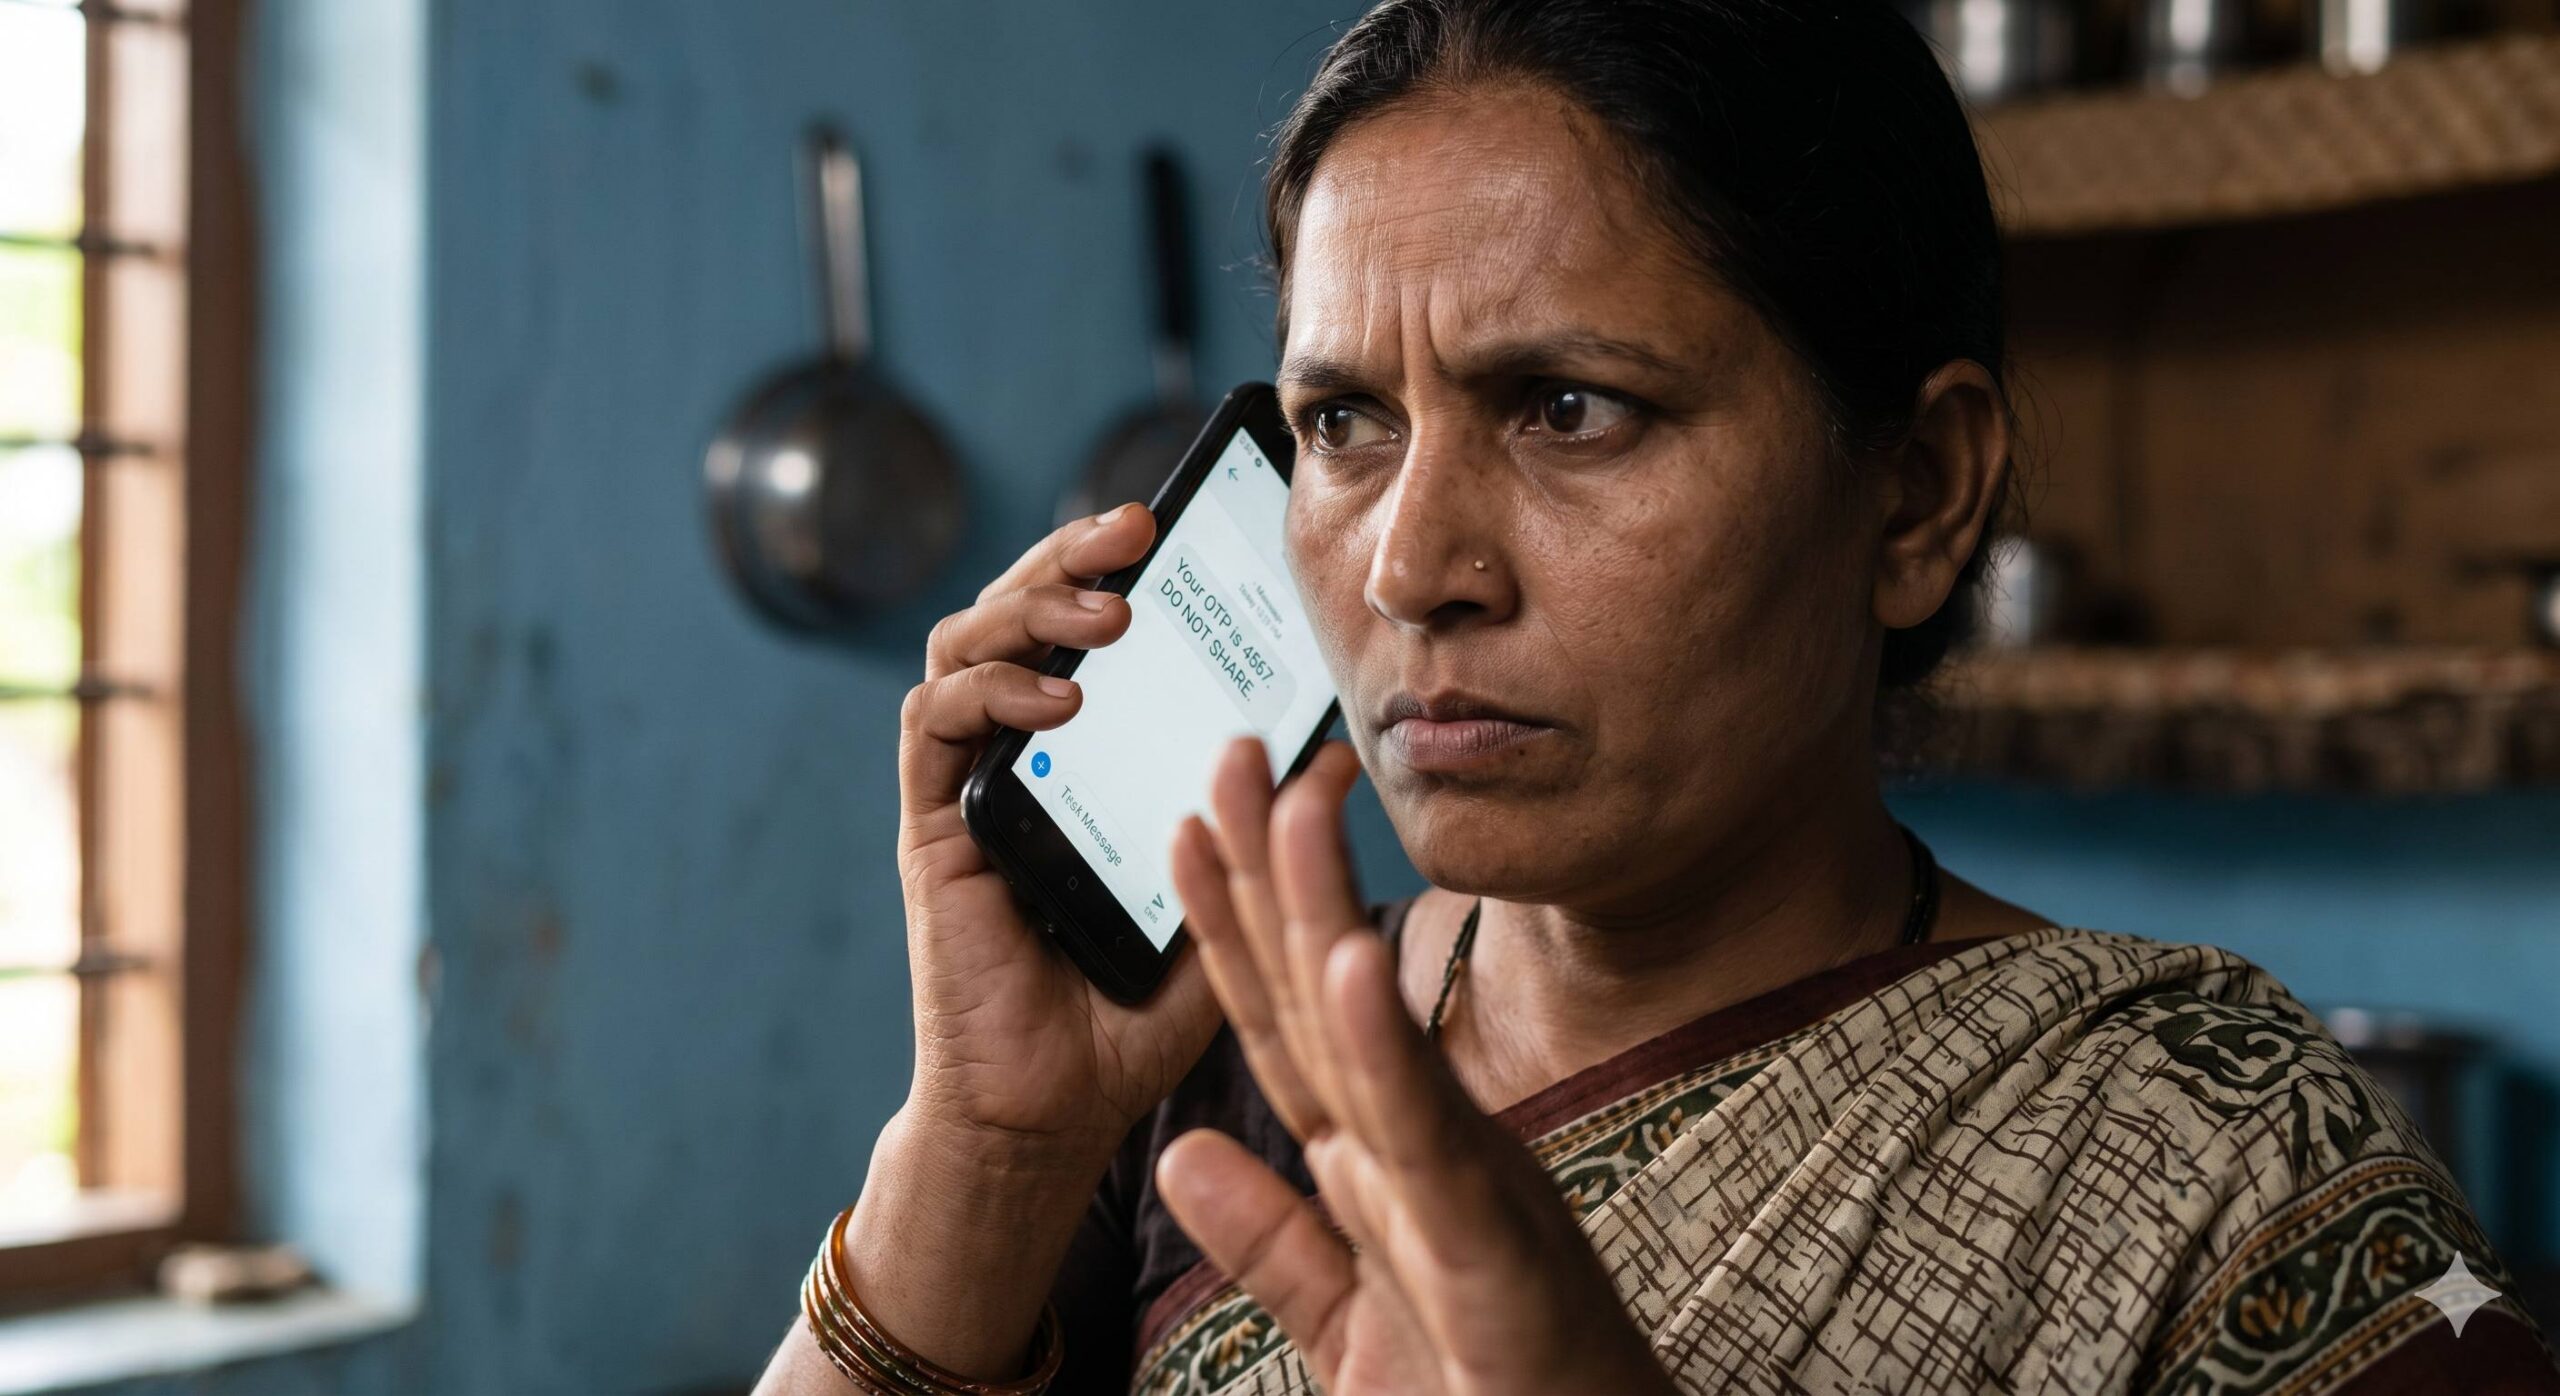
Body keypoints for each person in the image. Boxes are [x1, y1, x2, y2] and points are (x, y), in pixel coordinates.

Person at [754, 2, 2560, 1393]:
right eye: (1344, 423)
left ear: (1918, 497)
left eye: (1570, 410)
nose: (1410, 566)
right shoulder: (1209, 1079)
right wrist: (989, 1143)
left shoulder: (2200, 1162)